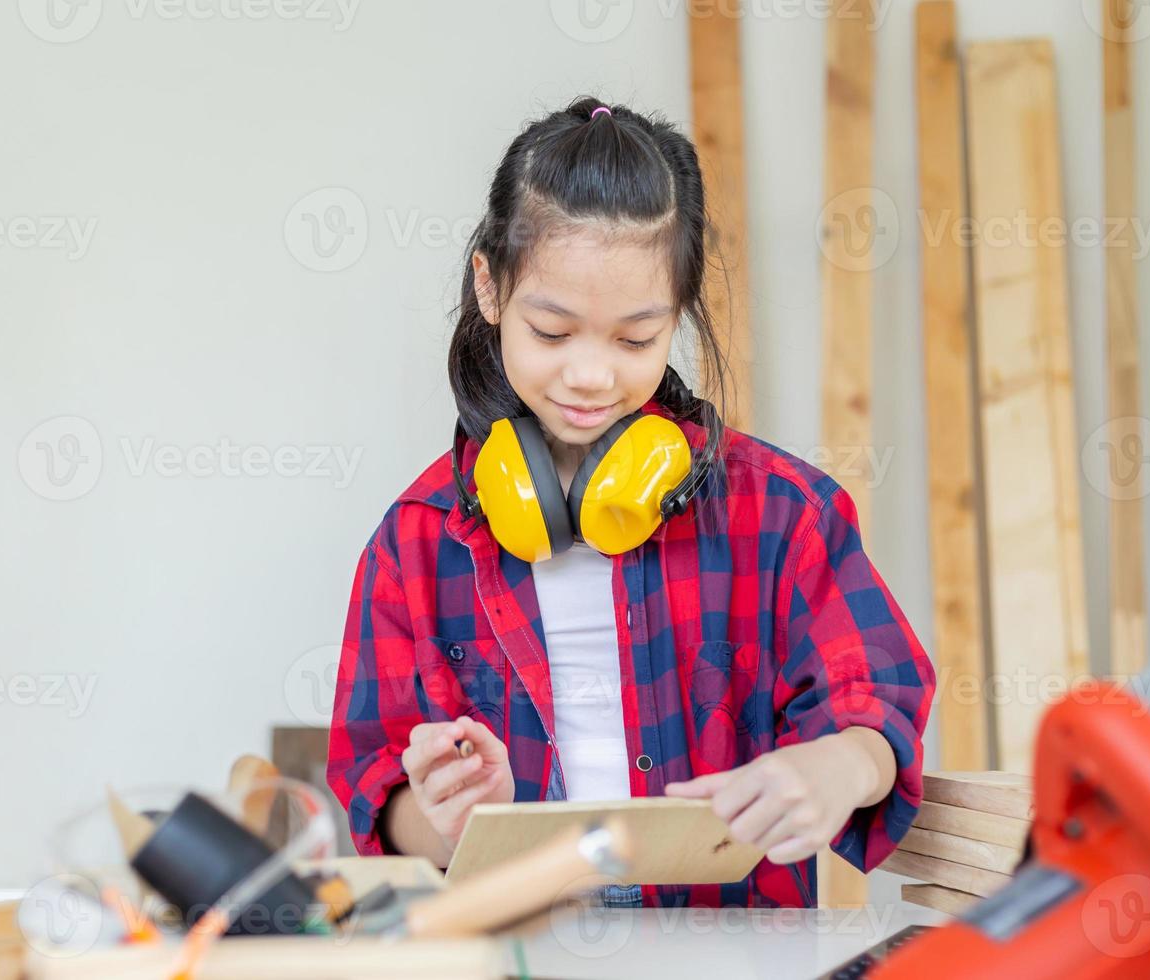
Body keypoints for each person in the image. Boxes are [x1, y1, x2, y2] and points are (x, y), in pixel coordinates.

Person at [325, 98, 935, 907]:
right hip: (519, 948)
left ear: (678, 314)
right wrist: (451, 816)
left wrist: (839, 766)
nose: (590, 375)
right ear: (489, 287)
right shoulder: (417, 540)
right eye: (553, 331)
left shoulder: (783, 513)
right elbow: (375, 788)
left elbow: (878, 702)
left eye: (635, 339)